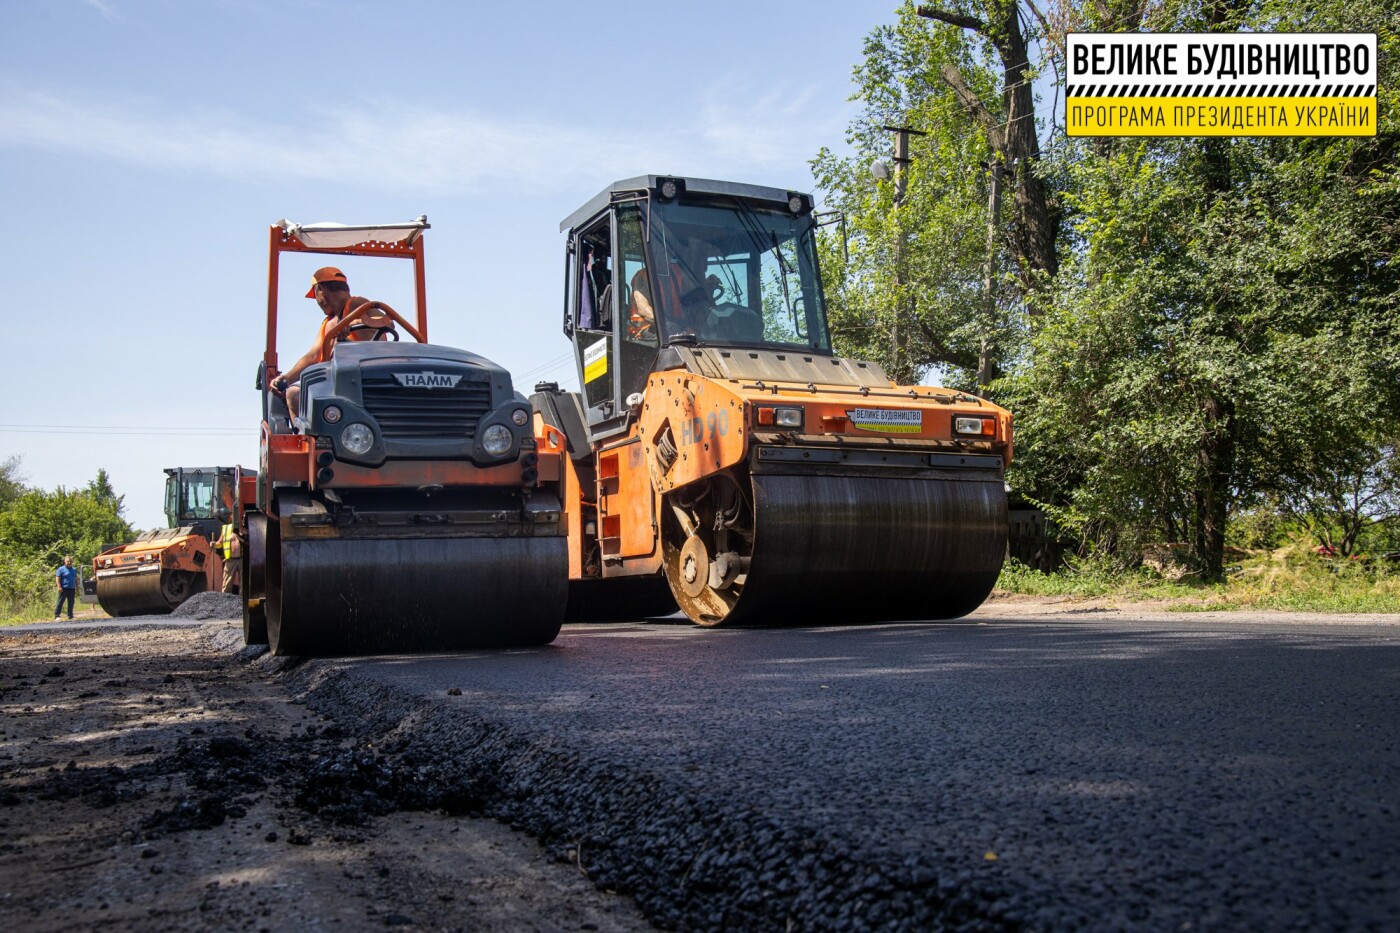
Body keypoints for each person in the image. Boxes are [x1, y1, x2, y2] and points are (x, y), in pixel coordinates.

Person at [270, 267, 390, 415]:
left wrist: (351, 323)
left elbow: (386, 322)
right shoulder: (328, 324)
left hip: (364, 381)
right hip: (336, 384)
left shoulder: (356, 305)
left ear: (320, 289)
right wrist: (287, 377)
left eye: (315, 296)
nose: (317, 302)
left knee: (295, 395)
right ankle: (310, 438)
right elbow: (313, 356)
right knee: (292, 394)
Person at [211, 522, 240, 594]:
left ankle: (242, 600)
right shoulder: (226, 529)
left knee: (244, 583)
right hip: (230, 560)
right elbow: (220, 543)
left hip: (242, 559)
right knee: (227, 583)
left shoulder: (246, 527)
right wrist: (214, 544)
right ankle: (225, 600)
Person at [53, 555, 78, 621]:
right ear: (65, 561)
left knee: (71, 602)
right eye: (68, 561)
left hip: (71, 588)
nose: (69, 562)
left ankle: (70, 616)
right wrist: (59, 587)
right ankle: (57, 616)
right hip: (63, 588)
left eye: (70, 561)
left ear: (72, 562)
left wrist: (77, 587)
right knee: (60, 602)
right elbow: (57, 578)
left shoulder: (74, 569)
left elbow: (75, 579)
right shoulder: (61, 569)